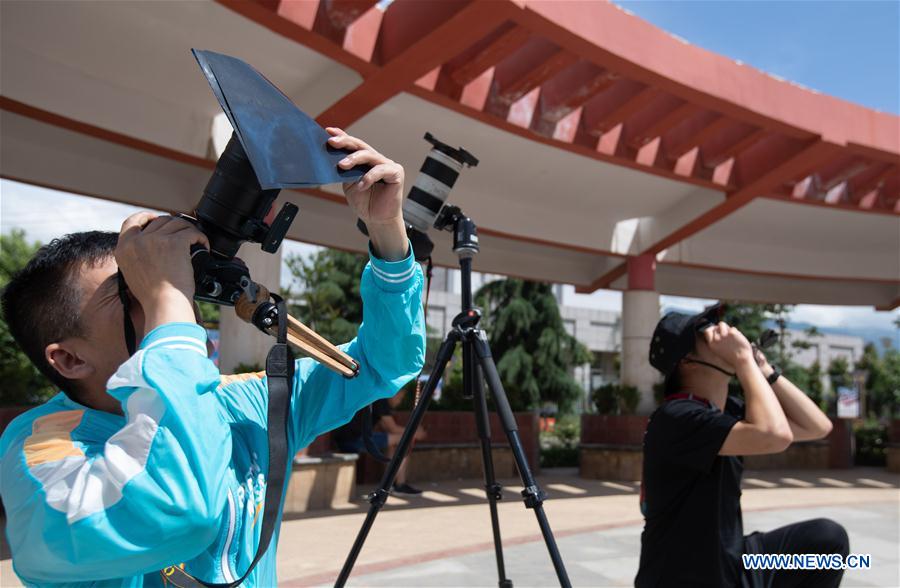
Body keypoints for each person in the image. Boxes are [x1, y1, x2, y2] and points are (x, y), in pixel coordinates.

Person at [0, 128, 426, 586]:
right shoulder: (40, 455)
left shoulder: (238, 404)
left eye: (148, 280)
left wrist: (386, 233)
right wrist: (167, 298)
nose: (163, 295)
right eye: (132, 292)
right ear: (68, 359)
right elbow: (179, 512)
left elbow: (385, 362)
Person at [635, 305, 849, 588]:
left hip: (735, 562)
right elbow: (774, 435)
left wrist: (765, 370)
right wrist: (743, 361)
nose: (724, 331)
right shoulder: (676, 416)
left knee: (826, 541)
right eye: (707, 331)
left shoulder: (725, 411)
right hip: (686, 576)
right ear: (687, 360)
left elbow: (817, 426)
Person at [333, 388, 426, 495]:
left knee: (395, 443)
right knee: (404, 439)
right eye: (400, 397)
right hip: (353, 440)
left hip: (349, 438)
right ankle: (399, 485)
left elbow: (386, 428)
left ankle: (392, 484)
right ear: (395, 393)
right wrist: (415, 432)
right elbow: (392, 428)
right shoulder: (381, 400)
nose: (400, 401)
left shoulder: (377, 398)